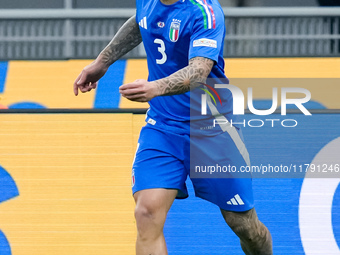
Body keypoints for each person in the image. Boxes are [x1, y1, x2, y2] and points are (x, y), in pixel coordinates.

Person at [73, 0, 273, 254]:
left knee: (245, 226)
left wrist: (153, 88)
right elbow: (141, 21)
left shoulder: (205, 13)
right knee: (146, 213)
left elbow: (199, 71)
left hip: (212, 130)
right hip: (163, 127)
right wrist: (102, 62)